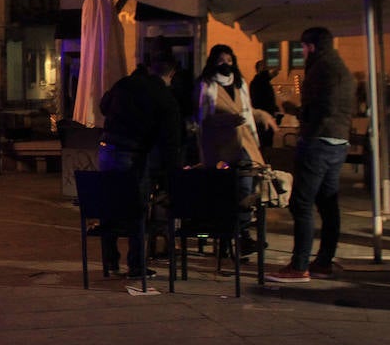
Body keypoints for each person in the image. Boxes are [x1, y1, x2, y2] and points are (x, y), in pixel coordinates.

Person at [269, 26, 355, 283]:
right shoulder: (341, 68)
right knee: (328, 202)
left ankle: (299, 265)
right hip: (339, 141)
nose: (303, 52)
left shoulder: (322, 69)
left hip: (319, 141)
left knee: (301, 203)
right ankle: (324, 261)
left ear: (311, 47)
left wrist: (301, 116)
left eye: (304, 48)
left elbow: (323, 108)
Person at [97, 50, 182, 279]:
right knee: (137, 209)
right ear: (171, 73)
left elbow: (103, 105)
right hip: (133, 154)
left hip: (106, 148)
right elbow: (171, 143)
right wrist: (171, 178)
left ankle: (110, 263)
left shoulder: (125, 83)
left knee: (109, 206)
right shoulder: (165, 97)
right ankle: (135, 265)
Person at [195, 45, 275, 254]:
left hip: (245, 145)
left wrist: (260, 116)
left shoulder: (240, 84)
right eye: (221, 60)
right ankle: (226, 240)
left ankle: (243, 236)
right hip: (220, 148)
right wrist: (227, 120)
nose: (226, 65)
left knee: (246, 191)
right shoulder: (207, 85)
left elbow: (247, 111)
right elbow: (202, 118)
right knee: (224, 193)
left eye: (229, 61)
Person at [249, 58, 280, 150]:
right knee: (264, 141)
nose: (266, 69)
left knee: (267, 141)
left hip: (266, 115)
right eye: (264, 68)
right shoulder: (259, 81)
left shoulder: (261, 82)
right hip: (262, 117)